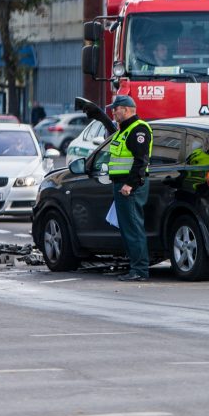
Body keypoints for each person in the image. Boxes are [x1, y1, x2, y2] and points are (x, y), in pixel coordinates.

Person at [77, 94, 153, 282]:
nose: (113, 112)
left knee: (133, 228)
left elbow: (141, 162)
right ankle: (134, 267)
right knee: (127, 228)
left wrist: (129, 184)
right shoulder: (123, 130)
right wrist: (100, 117)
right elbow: (116, 142)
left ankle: (140, 270)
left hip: (131, 187)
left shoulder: (139, 129)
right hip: (122, 186)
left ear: (126, 110)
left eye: (115, 109)